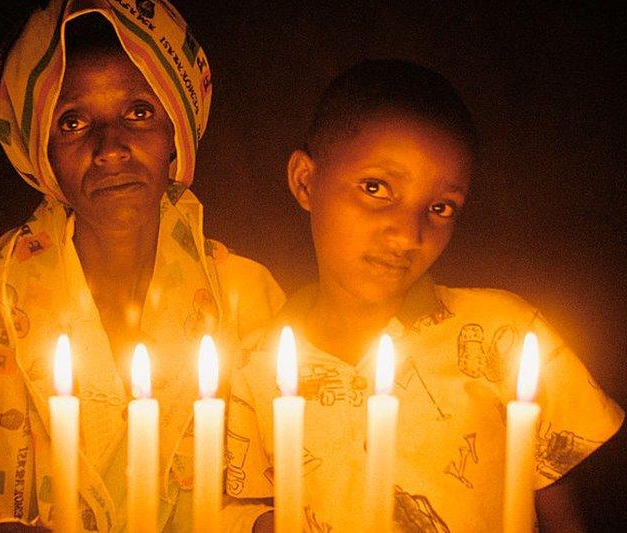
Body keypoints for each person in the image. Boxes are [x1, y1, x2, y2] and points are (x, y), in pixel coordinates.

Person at [224, 59, 625, 531]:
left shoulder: (508, 336)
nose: (408, 235)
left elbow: (562, 505)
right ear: (305, 181)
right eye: (376, 188)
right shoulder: (253, 370)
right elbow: (244, 510)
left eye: (440, 207)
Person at [0, 0, 285, 531]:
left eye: (138, 112)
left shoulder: (245, 298)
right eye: (73, 122)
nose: (110, 147)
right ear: (41, 151)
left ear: (176, 129)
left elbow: (272, 491)